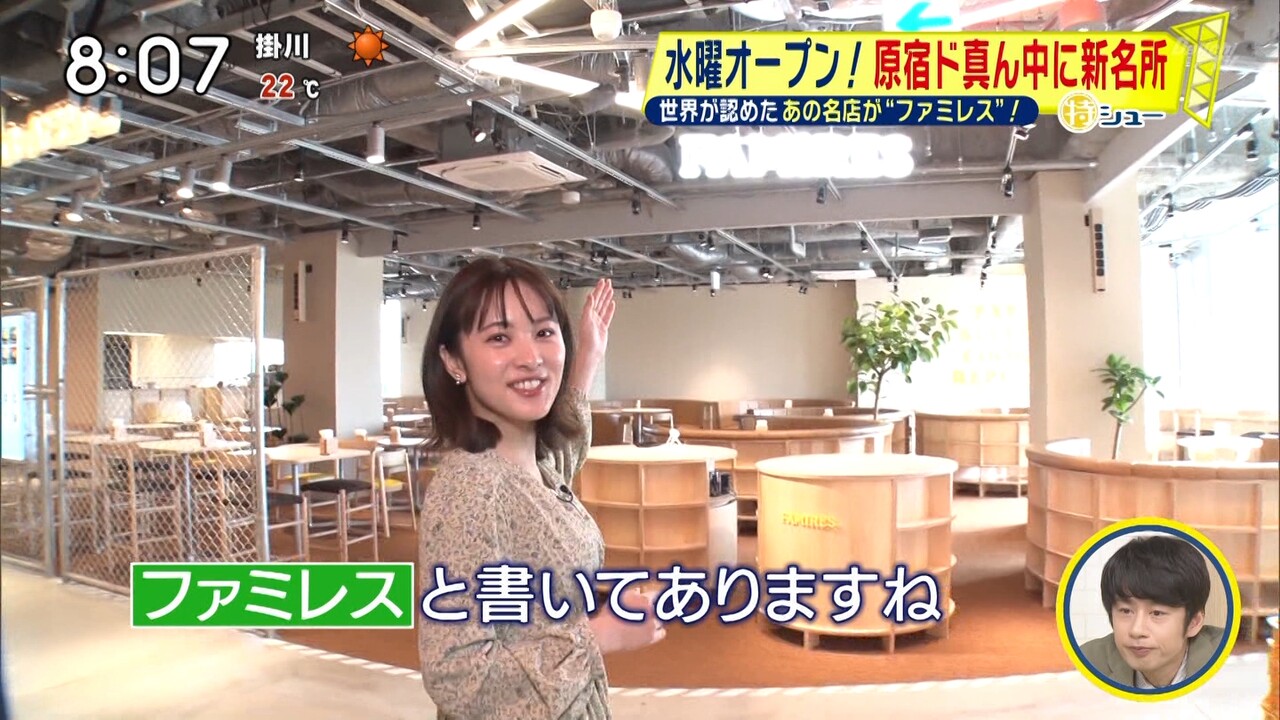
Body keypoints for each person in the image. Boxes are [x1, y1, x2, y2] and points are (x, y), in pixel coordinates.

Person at [416, 258, 665, 720]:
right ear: (453, 361)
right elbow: (456, 674)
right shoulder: (470, 490)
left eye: (544, 332)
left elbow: (562, 457)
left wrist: (587, 359)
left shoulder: (533, 463)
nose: (531, 356)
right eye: (499, 337)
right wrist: (599, 634)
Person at [1079, 534, 1226, 690]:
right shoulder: (1086, 662)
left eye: (1157, 613)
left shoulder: (1228, 661)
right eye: (1126, 611)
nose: (1136, 631)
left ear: (1193, 623)